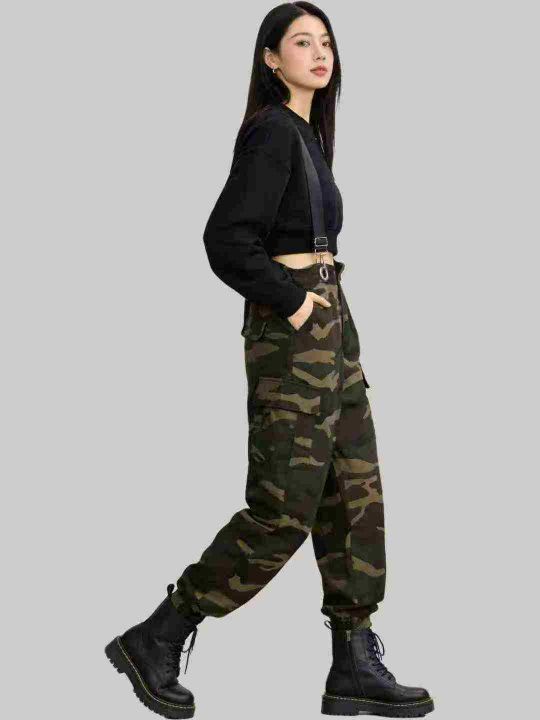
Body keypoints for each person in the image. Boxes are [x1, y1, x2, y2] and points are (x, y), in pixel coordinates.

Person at [105, 3, 434, 718]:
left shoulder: (307, 135)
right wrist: (293, 304)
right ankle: (159, 635)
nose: (320, 53)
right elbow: (227, 239)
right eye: (301, 42)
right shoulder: (273, 132)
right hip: (295, 335)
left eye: (326, 42)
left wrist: (324, 313)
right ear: (270, 58)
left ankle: (353, 660)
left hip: (333, 327)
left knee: (355, 492)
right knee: (284, 506)